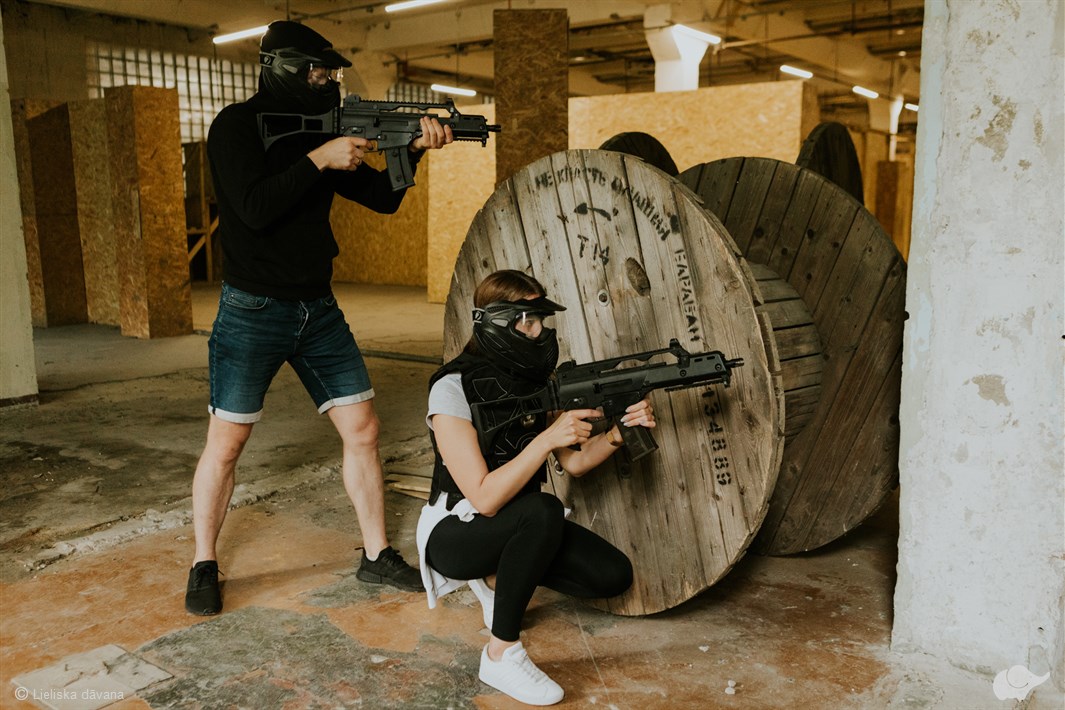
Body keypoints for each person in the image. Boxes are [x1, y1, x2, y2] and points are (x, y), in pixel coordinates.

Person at [184, 20, 454, 615]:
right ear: (282, 67)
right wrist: (319, 159)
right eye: (317, 71)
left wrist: (411, 151)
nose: (328, 80)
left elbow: (382, 199)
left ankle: (376, 554)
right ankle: (204, 562)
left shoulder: (327, 128)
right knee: (226, 444)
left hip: (318, 307)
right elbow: (253, 209)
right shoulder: (235, 126)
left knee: (364, 430)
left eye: (330, 72)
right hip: (252, 307)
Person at [416, 270, 656, 706]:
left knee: (611, 574)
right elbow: (484, 498)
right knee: (543, 509)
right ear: (497, 322)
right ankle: (500, 653)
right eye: (527, 321)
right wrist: (546, 439)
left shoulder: (534, 384)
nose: (539, 332)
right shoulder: (451, 388)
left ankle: (498, 577)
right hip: (456, 530)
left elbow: (575, 462)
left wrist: (617, 435)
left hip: (518, 522)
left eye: (541, 320)